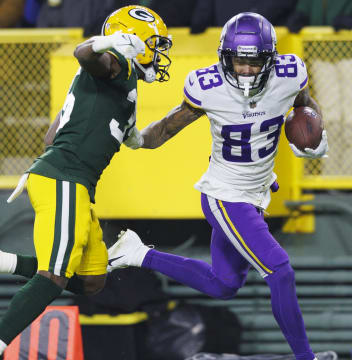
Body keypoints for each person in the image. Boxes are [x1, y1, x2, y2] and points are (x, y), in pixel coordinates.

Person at [106, 12, 328, 360]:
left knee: (224, 284)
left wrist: (317, 133)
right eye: (239, 61)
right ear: (225, 57)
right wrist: (136, 138)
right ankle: (306, 357)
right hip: (226, 196)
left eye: (255, 63)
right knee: (280, 272)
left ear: (270, 60)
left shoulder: (290, 74)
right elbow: (167, 128)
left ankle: (137, 253)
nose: (246, 70)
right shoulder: (206, 87)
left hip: (256, 193)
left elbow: (304, 105)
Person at [0, 5, 172, 355]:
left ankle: (6, 262)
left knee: (92, 280)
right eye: (154, 44)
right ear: (132, 41)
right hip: (65, 179)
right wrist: (102, 44)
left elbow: (52, 135)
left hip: (70, 182)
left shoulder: (124, 87)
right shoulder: (115, 63)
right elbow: (84, 55)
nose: (159, 53)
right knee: (53, 278)